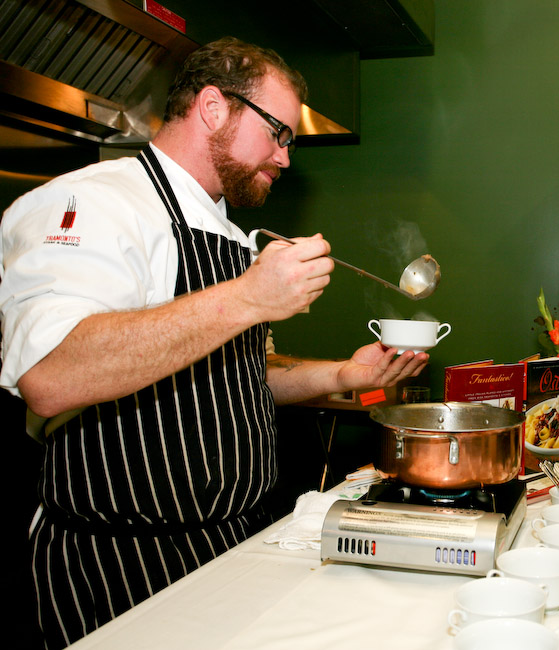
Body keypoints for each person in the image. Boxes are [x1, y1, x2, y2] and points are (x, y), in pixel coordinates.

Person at [0, 37, 427, 648]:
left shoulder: (225, 230)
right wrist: (249, 297)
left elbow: (238, 378)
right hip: (126, 560)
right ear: (212, 107)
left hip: (232, 539)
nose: (284, 158)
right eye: (278, 134)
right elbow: (49, 375)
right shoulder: (91, 204)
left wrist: (342, 376)